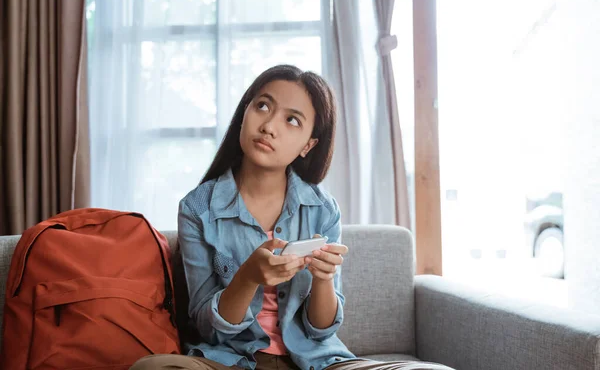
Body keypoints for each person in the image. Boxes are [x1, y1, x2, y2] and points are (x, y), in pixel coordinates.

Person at [130, 65, 452, 370]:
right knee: (152, 367)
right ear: (245, 113)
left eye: (292, 121)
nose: (269, 126)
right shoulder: (197, 209)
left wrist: (324, 279)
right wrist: (249, 276)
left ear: (308, 145)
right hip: (230, 360)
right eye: (263, 107)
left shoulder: (323, 209)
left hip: (316, 361)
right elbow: (208, 328)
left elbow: (321, 330)